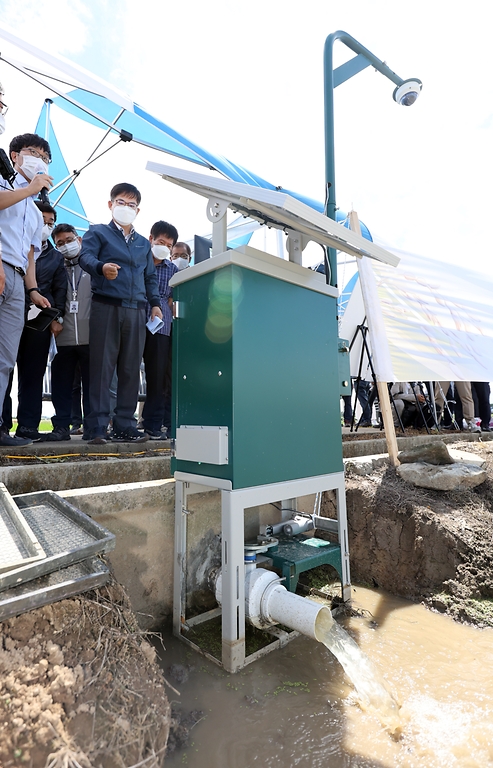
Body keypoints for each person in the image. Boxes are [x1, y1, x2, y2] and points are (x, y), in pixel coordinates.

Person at [79, 183, 162, 444]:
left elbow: (150, 277)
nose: (126, 208)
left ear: (138, 209)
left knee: (130, 369)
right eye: (121, 202)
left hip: (137, 311)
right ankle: (97, 426)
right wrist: (102, 267)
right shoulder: (98, 232)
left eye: (131, 204)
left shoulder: (142, 244)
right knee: (102, 368)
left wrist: (156, 303)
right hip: (107, 306)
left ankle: (125, 424)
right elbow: (85, 257)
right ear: (110, 204)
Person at [0, 133, 53, 446]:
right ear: (15, 154)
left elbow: (31, 254)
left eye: (45, 158)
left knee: (6, 358)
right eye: (33, 152)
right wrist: (30, 189)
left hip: (18, 279)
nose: (40, 161)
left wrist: (32, 290)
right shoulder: (5, 185)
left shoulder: (35, 211)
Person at [2, 202, 66, 442]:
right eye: (42, 220)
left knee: (33, 374)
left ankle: (28, 426)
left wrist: (56, 317)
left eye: (50, 222)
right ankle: (3, 423)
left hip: (38, 322)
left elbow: (61, 290)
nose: (46, 226)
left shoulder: (55, 257)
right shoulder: (13, 245)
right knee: (5, 370)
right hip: (10, 313)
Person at [44, 223, 91, 441]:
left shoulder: (92, 266)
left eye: (69, 240)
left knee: (92, 386)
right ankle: (62, 426)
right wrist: (54, 319)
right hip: (63, 336)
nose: (65, 246)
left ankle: (92, 427)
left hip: (91, 337)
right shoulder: (55, 266)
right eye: (60, 243)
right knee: (62, 385)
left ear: (79, 239)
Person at [142, 221, 178, 439]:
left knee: (157, 378)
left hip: (161, 330)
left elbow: (173, 299)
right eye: (161, 242)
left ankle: (153, 424)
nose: (164, 247)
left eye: (169, 244)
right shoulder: (138, 263)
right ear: (151, 240)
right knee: (126, 373)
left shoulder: (173, 271)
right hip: (134, 323)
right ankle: (121, 422)